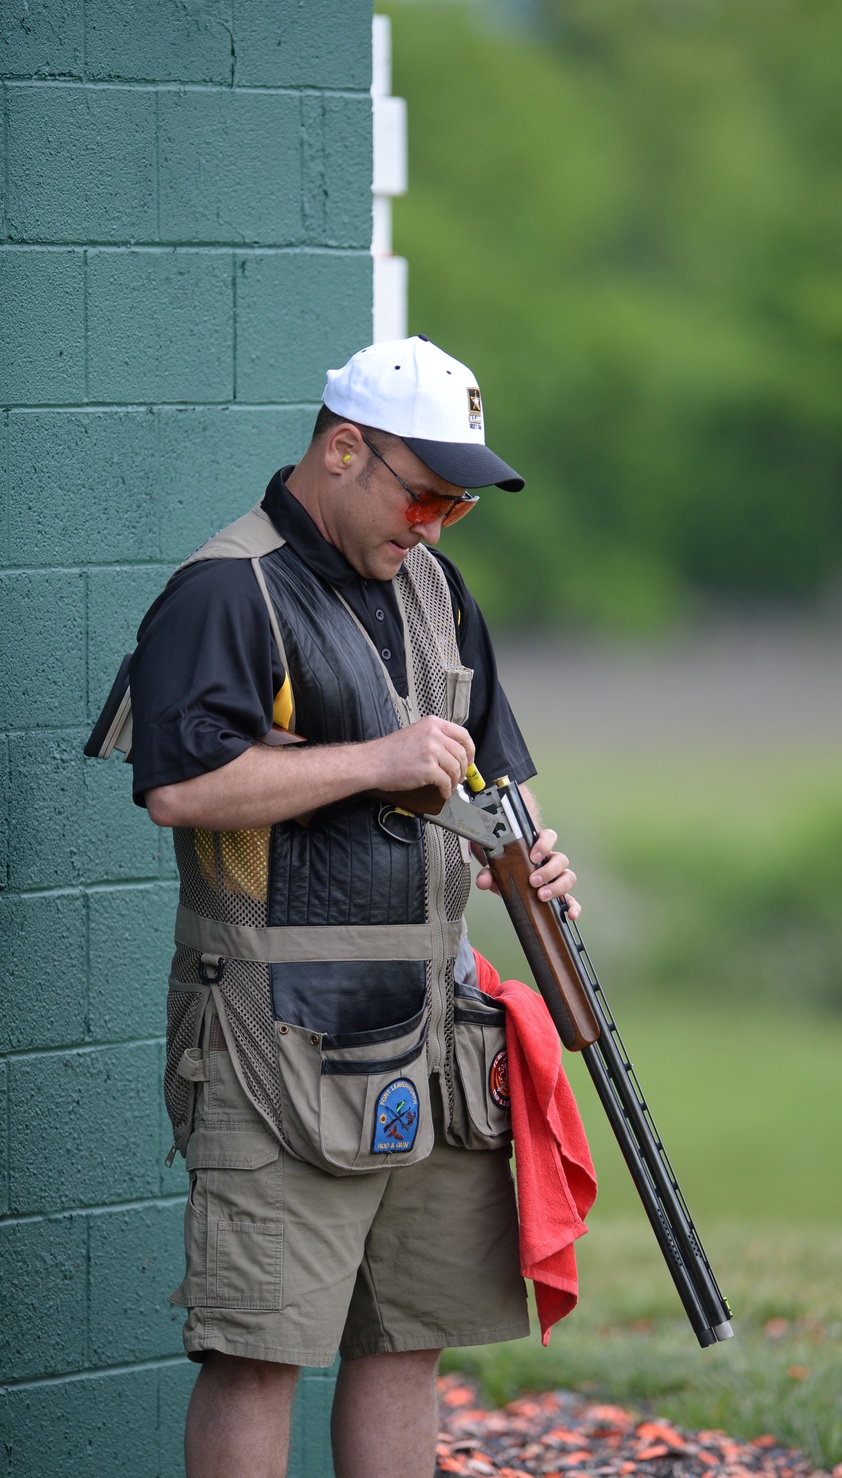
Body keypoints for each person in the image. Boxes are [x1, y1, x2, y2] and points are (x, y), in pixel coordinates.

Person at [128, 336, 579, 1478]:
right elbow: (180, 787)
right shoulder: (226, 587)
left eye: (457, 505)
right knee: (259, 1354)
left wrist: (529, 851)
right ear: (342, 448)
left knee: (407, 1342)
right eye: (423, 493)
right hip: (273, 1040)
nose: (434, 524)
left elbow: (492, 780)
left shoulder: (434, 587)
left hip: (432, 1028)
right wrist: (376, 759)